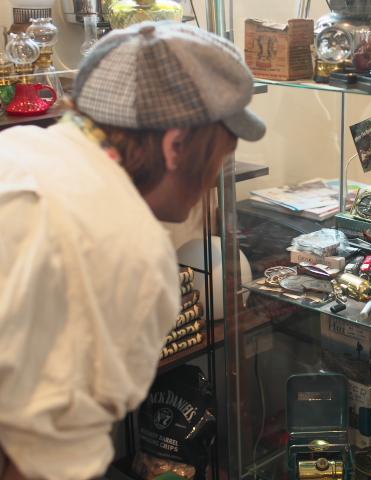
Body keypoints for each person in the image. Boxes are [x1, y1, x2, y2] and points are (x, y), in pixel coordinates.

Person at [0, 21, 265, 480]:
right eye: (218, 159)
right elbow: (46, 467)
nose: (213, 180)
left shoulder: (16, 148)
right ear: (176, 146)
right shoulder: (132, 253)